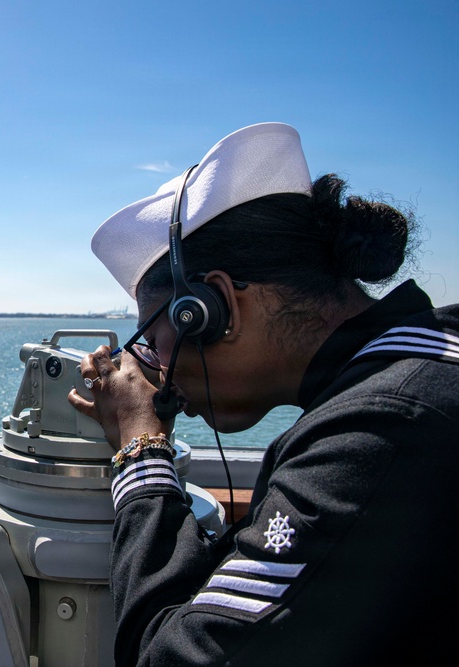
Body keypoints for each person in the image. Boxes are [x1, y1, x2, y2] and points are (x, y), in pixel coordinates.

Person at [68, 122, 459, 666]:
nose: (163, 379)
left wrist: (141, 450)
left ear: (214, 307)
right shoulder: (425, 367)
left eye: (156, 344)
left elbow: (169, 659)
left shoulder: (384, 431)